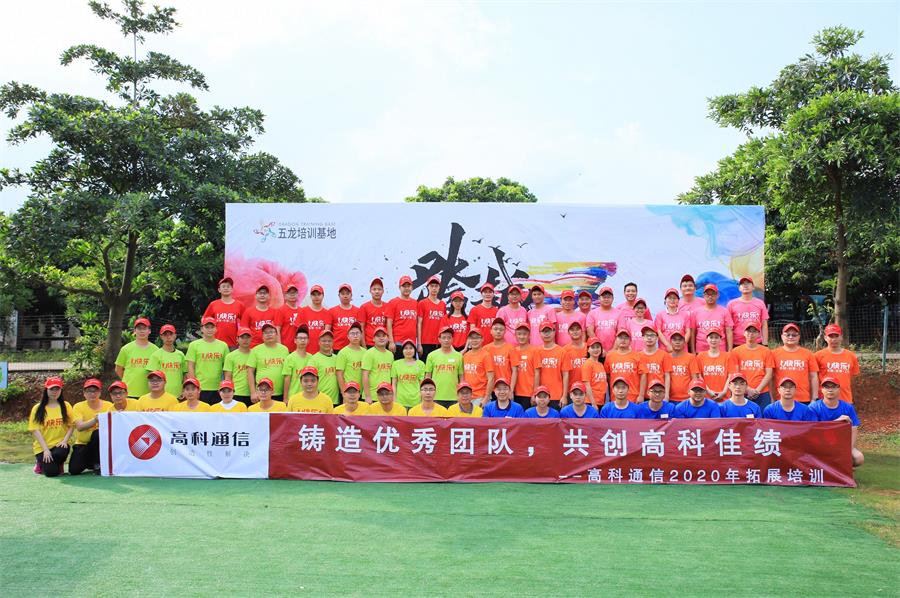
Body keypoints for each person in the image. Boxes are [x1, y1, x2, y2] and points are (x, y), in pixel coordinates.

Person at [810, 376, 864, 466]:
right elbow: (814, 430)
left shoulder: (847, 407)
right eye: (827, 387)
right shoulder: (814, 407)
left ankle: (845, 469)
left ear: (839, 389)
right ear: (821, 390)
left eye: (833, 387)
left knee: (859, 458)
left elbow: (854, 429)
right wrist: (836, 422)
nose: (830, 390)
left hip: (841, 444)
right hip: (819, 444)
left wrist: (848, 449)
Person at [28, 377, 73, 477]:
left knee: (61, 451)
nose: (54, 392)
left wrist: (65, 441)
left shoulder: (66, 406)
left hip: (59, 445)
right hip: (43, 447)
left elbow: (71, 426)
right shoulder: (38, 408)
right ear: (46, 390)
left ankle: (58, 464)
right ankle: (40, 464)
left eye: (57, 389)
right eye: (52, 389)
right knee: (51, 473)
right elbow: (35, 430)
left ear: (61, 390)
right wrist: (45, 450)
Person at [69, 378, 112, 475]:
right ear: (84, 393)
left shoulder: (108, 405)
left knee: (97, 433)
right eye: (89, 391)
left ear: (100, 392)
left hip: (102, 445)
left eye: (95, 391)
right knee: (74, 470)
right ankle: (91, 463)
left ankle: (98, 463)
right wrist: (95, 420)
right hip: (83, 443)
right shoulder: (78, 406)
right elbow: (79, 427)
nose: (92, 394)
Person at [772, 323, 819, 403]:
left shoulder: (808, 354)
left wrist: (814, 398)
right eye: (788, 335)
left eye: (794, 335)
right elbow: (770, 378)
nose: (791, 337)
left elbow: (814, 376)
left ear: (799, 337)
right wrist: (772, 397)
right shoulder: (773, 354)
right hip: (781, 398)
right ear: (782, 336)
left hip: (803, 398)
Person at [730, 323, 774, 410]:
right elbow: (735, 374)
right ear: (744, 333)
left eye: (754, 331)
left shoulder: (766, 351)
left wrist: (757, 390)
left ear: (759, 334)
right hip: (742, 392)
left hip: (762, 392)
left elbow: (769, 373)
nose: (751, 334)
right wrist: (748, 389)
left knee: (762, 417)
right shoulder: (736, 351)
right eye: (748, 331)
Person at [186, 317, 230, 404]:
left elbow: (227, 368)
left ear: (216, 329)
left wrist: (225, 386)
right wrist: (194, 387)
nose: (210, 330)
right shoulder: (194, 345)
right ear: (202, 329)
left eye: (212, 327)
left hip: (218, 388)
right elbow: (190, 366)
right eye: (207, 327)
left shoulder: (223, 346)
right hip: (200, 387)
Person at [814, 324, 860, 403]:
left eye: (836, 336)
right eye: (830, 336)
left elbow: (852, 378)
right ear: (825, 338)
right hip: (824, 400)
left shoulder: (851, 356)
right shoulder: (817, 356)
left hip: (845, 399)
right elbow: (813, 378)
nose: (834, 339)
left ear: (841, 337)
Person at [114, 317, 157, 399]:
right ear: (134, 331)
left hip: (148, 392)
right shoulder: (126, 349)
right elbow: (118, 369)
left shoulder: (155, 350)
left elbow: (158, 371)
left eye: (144, 328)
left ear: (149, 331)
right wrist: (128, 381)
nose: (142, 331)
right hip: (129, 392)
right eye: (139, 328)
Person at [246, 322, 288, 402]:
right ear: (262, 336)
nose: (269, 334)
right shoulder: (255, 350)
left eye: (271, 332)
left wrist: (286, 395)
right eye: (266, 333)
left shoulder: (284, 350)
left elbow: (287, 373)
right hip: (262, 393)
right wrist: (253, 392)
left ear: (277, 334)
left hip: (280, 393)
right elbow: (250, 371)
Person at [692, 328, 736, 402]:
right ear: (707, 339)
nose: (713, 340)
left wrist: (724, 392)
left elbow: (730, 376)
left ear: (720, 340)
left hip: (724, 397)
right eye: (711, 337)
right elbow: (699, 376)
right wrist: (708, 391)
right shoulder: (700, 356)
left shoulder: (727, 356)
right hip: (706, 396)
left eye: (716, 337)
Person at [424, 326, 463, 408]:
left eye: (449, 338)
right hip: (436, 396)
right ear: (439, 339)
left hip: (454, 397)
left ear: (452, 339)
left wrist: (461, 394)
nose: (446, 340)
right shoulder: (431, 355)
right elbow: (427, 378)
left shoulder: (459, 356)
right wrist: (427, 394)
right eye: (444, 337)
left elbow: (461, 378)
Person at [203, 276, 245, 349]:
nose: (226, 288)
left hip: (233, 344)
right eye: (223, 286)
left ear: (232, 289)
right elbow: (204, 320)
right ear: (219, 290)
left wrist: (241, 336)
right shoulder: (213, 304)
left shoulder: (239, 305)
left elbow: (246, 323)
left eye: (228, 286)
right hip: (216, 343)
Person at [727, 276, 769, 346]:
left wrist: (765, 343)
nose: (745, 285)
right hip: (737, 343)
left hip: (756, 342)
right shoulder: (731, 304)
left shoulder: (760, 303)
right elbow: (729, 328)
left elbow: (764, 324)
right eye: (742, 284)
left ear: (753, 287)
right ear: (739, 288)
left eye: (748, 283)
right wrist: (730, 347)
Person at [691, 284, 734, 353]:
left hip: (720, 350)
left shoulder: (724, 311)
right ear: (703, 296)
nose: (710, 297)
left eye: (713, 294)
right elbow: (693, 333)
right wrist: (693, 351)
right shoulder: (696, 312)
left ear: (717, 295)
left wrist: (730, 351)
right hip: (701, 350)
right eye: (707, 294)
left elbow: (729, 332)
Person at [536, 322, 570, 409]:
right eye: (544, 331)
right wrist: (534, 393)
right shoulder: (536, 351)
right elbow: (536, 374)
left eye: (549, 331)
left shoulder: (562, 352)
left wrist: (564, 396)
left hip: (557, 395)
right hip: (541, 395)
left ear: (554, 332)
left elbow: (565, 375)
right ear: (539, 333)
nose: (546, 334)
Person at [147, 324, 185, 397]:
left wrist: (184, 390)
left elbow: (185, 375)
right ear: (161, 336)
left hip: (178, 394)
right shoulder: (155, 355)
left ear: (175, 335)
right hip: (161, 395)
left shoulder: (180, 355)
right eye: (165, 335)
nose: (168, 337)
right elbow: (152, 377)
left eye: (171, 334)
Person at [604, 330, 641, 403]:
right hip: (615, 397)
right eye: (620, 338)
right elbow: (607, 374)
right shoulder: (610, 356)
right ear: (616, 339)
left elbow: (642, 376)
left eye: (626, 338)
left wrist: (641, 395)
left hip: (633, 396)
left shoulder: (637, 355)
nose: (623, 340)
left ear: (630, 340)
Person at [387, 275, 418, 359]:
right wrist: (391, 342)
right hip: (398, 342)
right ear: (399, 288)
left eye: (408, 286)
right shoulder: (393, 302)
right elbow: (389, 323)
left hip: (412, 344)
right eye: (404, 286)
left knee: (411, 366)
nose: (406, 288)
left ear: (412, 287)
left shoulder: (415, 303)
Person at [361, 326, 395, 403]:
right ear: (373, 339)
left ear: (388, 338)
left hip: (386, 395)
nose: (381, 338)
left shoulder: (390, 354)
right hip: (373, 395)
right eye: (378, 336)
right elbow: (365, 375)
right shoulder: (369, 353)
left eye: (384, 336)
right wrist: (367, 396)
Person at [636, 325, 670, 402]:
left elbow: (667, 376)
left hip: (659, 394)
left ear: (657, 338)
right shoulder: (638, 356)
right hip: (643, 395)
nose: (649, 338)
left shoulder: (664, 355)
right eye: (646, 335)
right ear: (643, 338)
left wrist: (666, 395)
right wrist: (640, 395)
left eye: (652, 335)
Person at [462, 328, 494, 406]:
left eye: (477, 338)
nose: (474, 340)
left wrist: (486, 398)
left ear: (482, 339)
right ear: (468, 340)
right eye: (472, 338)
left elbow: (491, 378)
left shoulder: (486, 355)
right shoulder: (465, 356)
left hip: (481, 397)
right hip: (467, 396)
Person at [511, 322, 540, 411]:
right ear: (515, 335)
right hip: (515, 392)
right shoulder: (513, 350)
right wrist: (510, 391)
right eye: (519, 334)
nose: (522, 336)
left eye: (524, 334)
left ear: (529, 335)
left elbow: (537, 373)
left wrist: (535, 393)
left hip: (529, 393)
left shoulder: (535, 350)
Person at [416, 276, 446, 359]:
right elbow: (419, 324)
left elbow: (444, 325)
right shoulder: (422, 303)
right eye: (432, 286)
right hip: (425, 343)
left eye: (436, 286)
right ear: (428, 287)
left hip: (439, 343)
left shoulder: (442, 304)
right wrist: (419, 344)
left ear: (439, 288)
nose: (434, 288)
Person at [223, 327, 254, 406]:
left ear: (251, 339)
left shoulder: (255, 354)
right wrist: (229, 393)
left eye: (247, 337)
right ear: (237, 339)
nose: (245, 340)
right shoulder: (230, 356)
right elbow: (228, 377)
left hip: (253, 393)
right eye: (242, 337)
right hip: (236, 393)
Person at [391, 339, 426, 410]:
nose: (408, 351)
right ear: (402, 350)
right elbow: (394, 384)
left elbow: (422, 384)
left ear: (414, 350)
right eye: (406, 348)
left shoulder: (420, 364)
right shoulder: (396, 364)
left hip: (416, 401)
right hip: (400, 401)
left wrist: (423, 399)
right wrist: (394, 399)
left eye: (411, 348)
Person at [282, 326, 314, 401]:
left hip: (309, 397)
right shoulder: (289, 358)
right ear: (295, 340)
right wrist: (285, 398)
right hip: (293, 396)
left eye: (305, 338)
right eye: (300, 338)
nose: (302, 340)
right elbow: (287, 379)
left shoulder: (312, 358)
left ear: (308, 341)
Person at [484, 317, 515, 396]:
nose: (498, 331)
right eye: (496, 329)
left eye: (501, 329)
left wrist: (511, 390)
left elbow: (515, 371)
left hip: (505, 388)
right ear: (491, 331)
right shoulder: (485, 349)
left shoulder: (510, 348)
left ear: (505, 331)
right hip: (490, 389)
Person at [336, 322, 366, 400]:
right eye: (352, 333)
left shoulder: (365, 352)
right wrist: (343, 393)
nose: (355, 336)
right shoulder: (343, 353)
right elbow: (339, 374)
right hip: (349, 392)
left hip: (362, 392)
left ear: (361, 335)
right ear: (348, 336)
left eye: (357, 333)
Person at [299, 284, 332, 354]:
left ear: (323, 295)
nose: (316, 297)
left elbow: (327, 333)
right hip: (306, 350)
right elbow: (299, 333)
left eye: (319, 294)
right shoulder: (303, 311)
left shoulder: (327, 313)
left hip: (321, 350)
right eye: (314, 295)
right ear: (310, 296)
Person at [330, 283, 363, 351]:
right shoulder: (332, 311)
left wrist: (362, 345)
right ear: (339, 295)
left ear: (351, 295)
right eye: (343, 294)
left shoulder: (358, 311)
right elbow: (328, 331)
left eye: (347, 294)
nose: (345, 296)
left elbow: (361, 330)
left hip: (354, 348)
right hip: (337, 347)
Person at [586, 287, 620, 352]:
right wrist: (600, 349)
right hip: (597, 351)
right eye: (604, 297)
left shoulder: (619, 313)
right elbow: (590, 332)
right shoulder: (592, 313)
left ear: (613, 298)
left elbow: (620, 333)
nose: (606, 299)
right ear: (599, 298)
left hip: (615, 351)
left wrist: (614, 349)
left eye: (608, 297)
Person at [311, 330, 340, 406]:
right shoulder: (313, 359)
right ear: (319, 342)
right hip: (319, 400)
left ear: (333, 342)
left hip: (335, 400)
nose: (327, 343)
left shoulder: (337, 358)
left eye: (329, 341)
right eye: (324, 341)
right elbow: (311, 381)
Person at [360, 277, 389, 348]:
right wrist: (364, 346)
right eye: (374, 289)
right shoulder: (364, 307)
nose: (377, 292)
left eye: (379, 289)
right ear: (370, 291)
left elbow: (389, 326)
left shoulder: (388, 306)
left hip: (384, 344)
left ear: (383, 291)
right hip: (369, 344)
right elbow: (361, 328)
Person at [667, 332, 695, 402]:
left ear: (685, 343)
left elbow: (694, 379)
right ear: (670, 342)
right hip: (670, 398)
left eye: (680, 340)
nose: (677, 342)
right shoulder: (666, 357)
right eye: (674, 340)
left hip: (687, 399)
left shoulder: (691, 357)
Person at [582, 337, 608, 408]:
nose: (596, 350)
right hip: (590, 402)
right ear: (588, 350)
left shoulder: (600, 364)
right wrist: (593, 403)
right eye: (593, 347)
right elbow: (587, 385)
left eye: (598, 347)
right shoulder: (587, 364)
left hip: (601, 401)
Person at [562, 321, 588, 392]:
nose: (575, 332)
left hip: (588, 389)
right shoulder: (564, 350)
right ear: (568, 332)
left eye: (577, 329)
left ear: (582, 331)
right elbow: (563, 374)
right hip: (571, 390)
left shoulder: (589, 347)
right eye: (572, 330)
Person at [279, 283, 303, 352]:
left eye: (294, 293)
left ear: (297, 294)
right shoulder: (281, 310)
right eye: (289, 293)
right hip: (286, 348)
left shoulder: (302, 310)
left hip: (300, 348)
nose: (292, 295)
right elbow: (277, 330)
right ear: (285, 296)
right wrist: (280, 347)